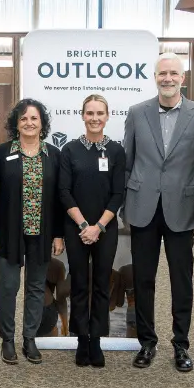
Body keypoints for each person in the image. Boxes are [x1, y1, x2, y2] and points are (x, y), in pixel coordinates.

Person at [122, 52, 194, 372]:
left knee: (181, 280)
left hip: (182, 210)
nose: (168, 78)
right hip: (143, 208)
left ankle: (181, 345)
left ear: (182, 78)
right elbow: (127, 161)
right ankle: (147, 343)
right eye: (163, 73)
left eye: (174, 73)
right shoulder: (136, 113)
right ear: (155, 76)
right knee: (143, 279)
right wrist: (124, 206)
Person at [0, 98, 65, 365]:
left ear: (42, 124)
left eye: (34, 119)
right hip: (8, 232)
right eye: (23, 119)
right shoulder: (3, 152)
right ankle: (7, 340)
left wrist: (58, 234)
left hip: (42, 233)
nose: (29, 123)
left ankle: (29, 339)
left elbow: (59, 199)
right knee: (8, 286)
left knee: (36, 287)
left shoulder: (53, 154)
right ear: (16, 124)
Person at [58, 94, 126, 368]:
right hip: (76, 228)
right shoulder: (70, 150)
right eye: (90, 113)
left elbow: (118, 193)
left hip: (105, 229)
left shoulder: (117, 151)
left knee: (101, 284)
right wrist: (84, 225)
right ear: (82, 116)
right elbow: (63, 191)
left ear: (108, 116)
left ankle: (96, 340)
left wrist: (98, 226)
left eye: (100, 113)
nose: (95, 118)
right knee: (79, 284)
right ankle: (81, 339)